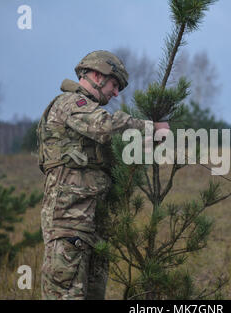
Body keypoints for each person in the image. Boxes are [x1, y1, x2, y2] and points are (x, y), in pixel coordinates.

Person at [37, 50, 169, 299]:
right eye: (114, 84)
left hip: (93, 226)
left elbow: (121, 153)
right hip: (69, 224)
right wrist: (150, 127)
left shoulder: (90, 116)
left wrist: (154, 141)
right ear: (97, 75)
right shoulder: (71, 104)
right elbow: (106, 126)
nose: (116, 93)